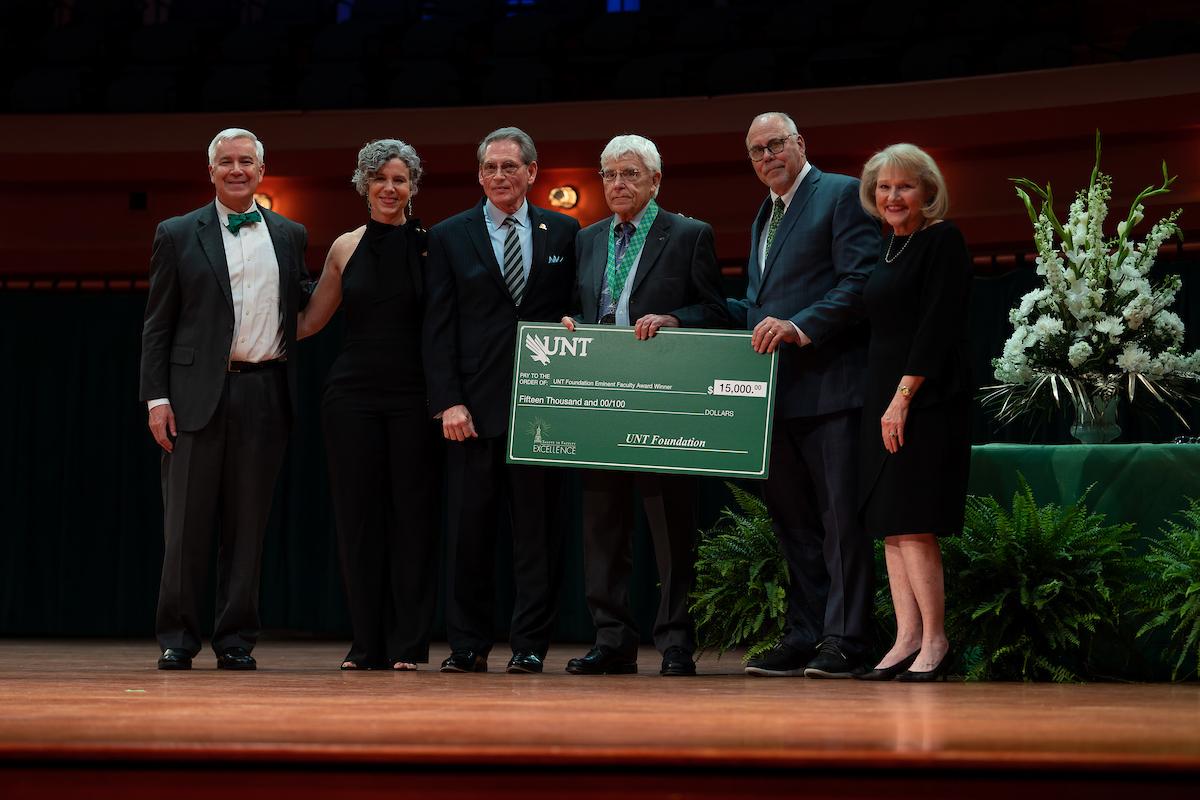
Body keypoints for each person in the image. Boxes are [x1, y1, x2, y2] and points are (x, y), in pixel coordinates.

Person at [139, 128, 310, 671]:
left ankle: (235, 639)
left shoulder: (290, 234)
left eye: (246, 162)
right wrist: (156, 399)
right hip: (193, 397)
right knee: (186, 526)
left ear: (262, 171)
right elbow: (157, 326)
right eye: (226, 162)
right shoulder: (177, 232)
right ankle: (178, 638)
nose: (237, 170)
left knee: (247, 526)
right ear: (210, 170)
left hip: (265, 392)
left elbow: (303, 306)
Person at [561, 134, 728, 677]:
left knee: (670, 527)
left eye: (630, 173)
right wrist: (571, 326)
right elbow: (584, 309)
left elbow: (716, 310)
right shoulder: (586, 239)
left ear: (656, 180)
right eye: (609, 174)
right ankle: (612, 641)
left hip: (662, 403)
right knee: (602, 528)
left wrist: (676, 319)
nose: (618, 183)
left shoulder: (688, 234)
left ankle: (676, 641)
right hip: (601, 401)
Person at [422, 126, 580, 674]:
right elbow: (437, 327)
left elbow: (578, 309)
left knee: (537, 538)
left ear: (532, 172)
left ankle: (530, 645)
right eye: (489, 168)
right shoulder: (448, 235)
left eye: (510, 167)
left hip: (544, 407)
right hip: (472, 412)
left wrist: (576, 324)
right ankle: (467, 645)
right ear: (479, 174)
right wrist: (448, 402)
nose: (499, 177)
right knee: (469, 537)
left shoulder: (564, 230)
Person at [730, 112, 880, 678]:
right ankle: (806, 633)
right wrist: (684, 320)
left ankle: (849, 639)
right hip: (776, 396)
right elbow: (758, 303)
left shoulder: (841, 195)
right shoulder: (763, 214)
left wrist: (799, 325)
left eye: (775, 144)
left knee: (841, 522)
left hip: (832, 388)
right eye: (756, 151)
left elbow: (859, 282)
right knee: (794, 524)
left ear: (800, 144)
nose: (767, 156)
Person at [298, 139, 437, 671]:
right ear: (364, 185)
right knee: (358, 521)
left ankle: (407, 645)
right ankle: (366, 644)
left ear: (413, 187)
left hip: (414, 397)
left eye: (400, 179)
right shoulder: (343, 247)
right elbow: (310, 322)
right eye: (380, 178)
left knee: (413, 520)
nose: (389, 188)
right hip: (350, 397)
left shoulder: (431, 245)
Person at [853, 144, 972, 682]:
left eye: (903, 186)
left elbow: (936, 327)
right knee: (890, 527)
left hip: (923, 403)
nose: (892, 196)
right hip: (880, 400)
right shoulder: (885, 248)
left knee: (915, 524)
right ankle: (906, 638)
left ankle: (937, 641)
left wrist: (902, 398)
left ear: (927, 191)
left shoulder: (941, 240)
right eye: (883, 187)